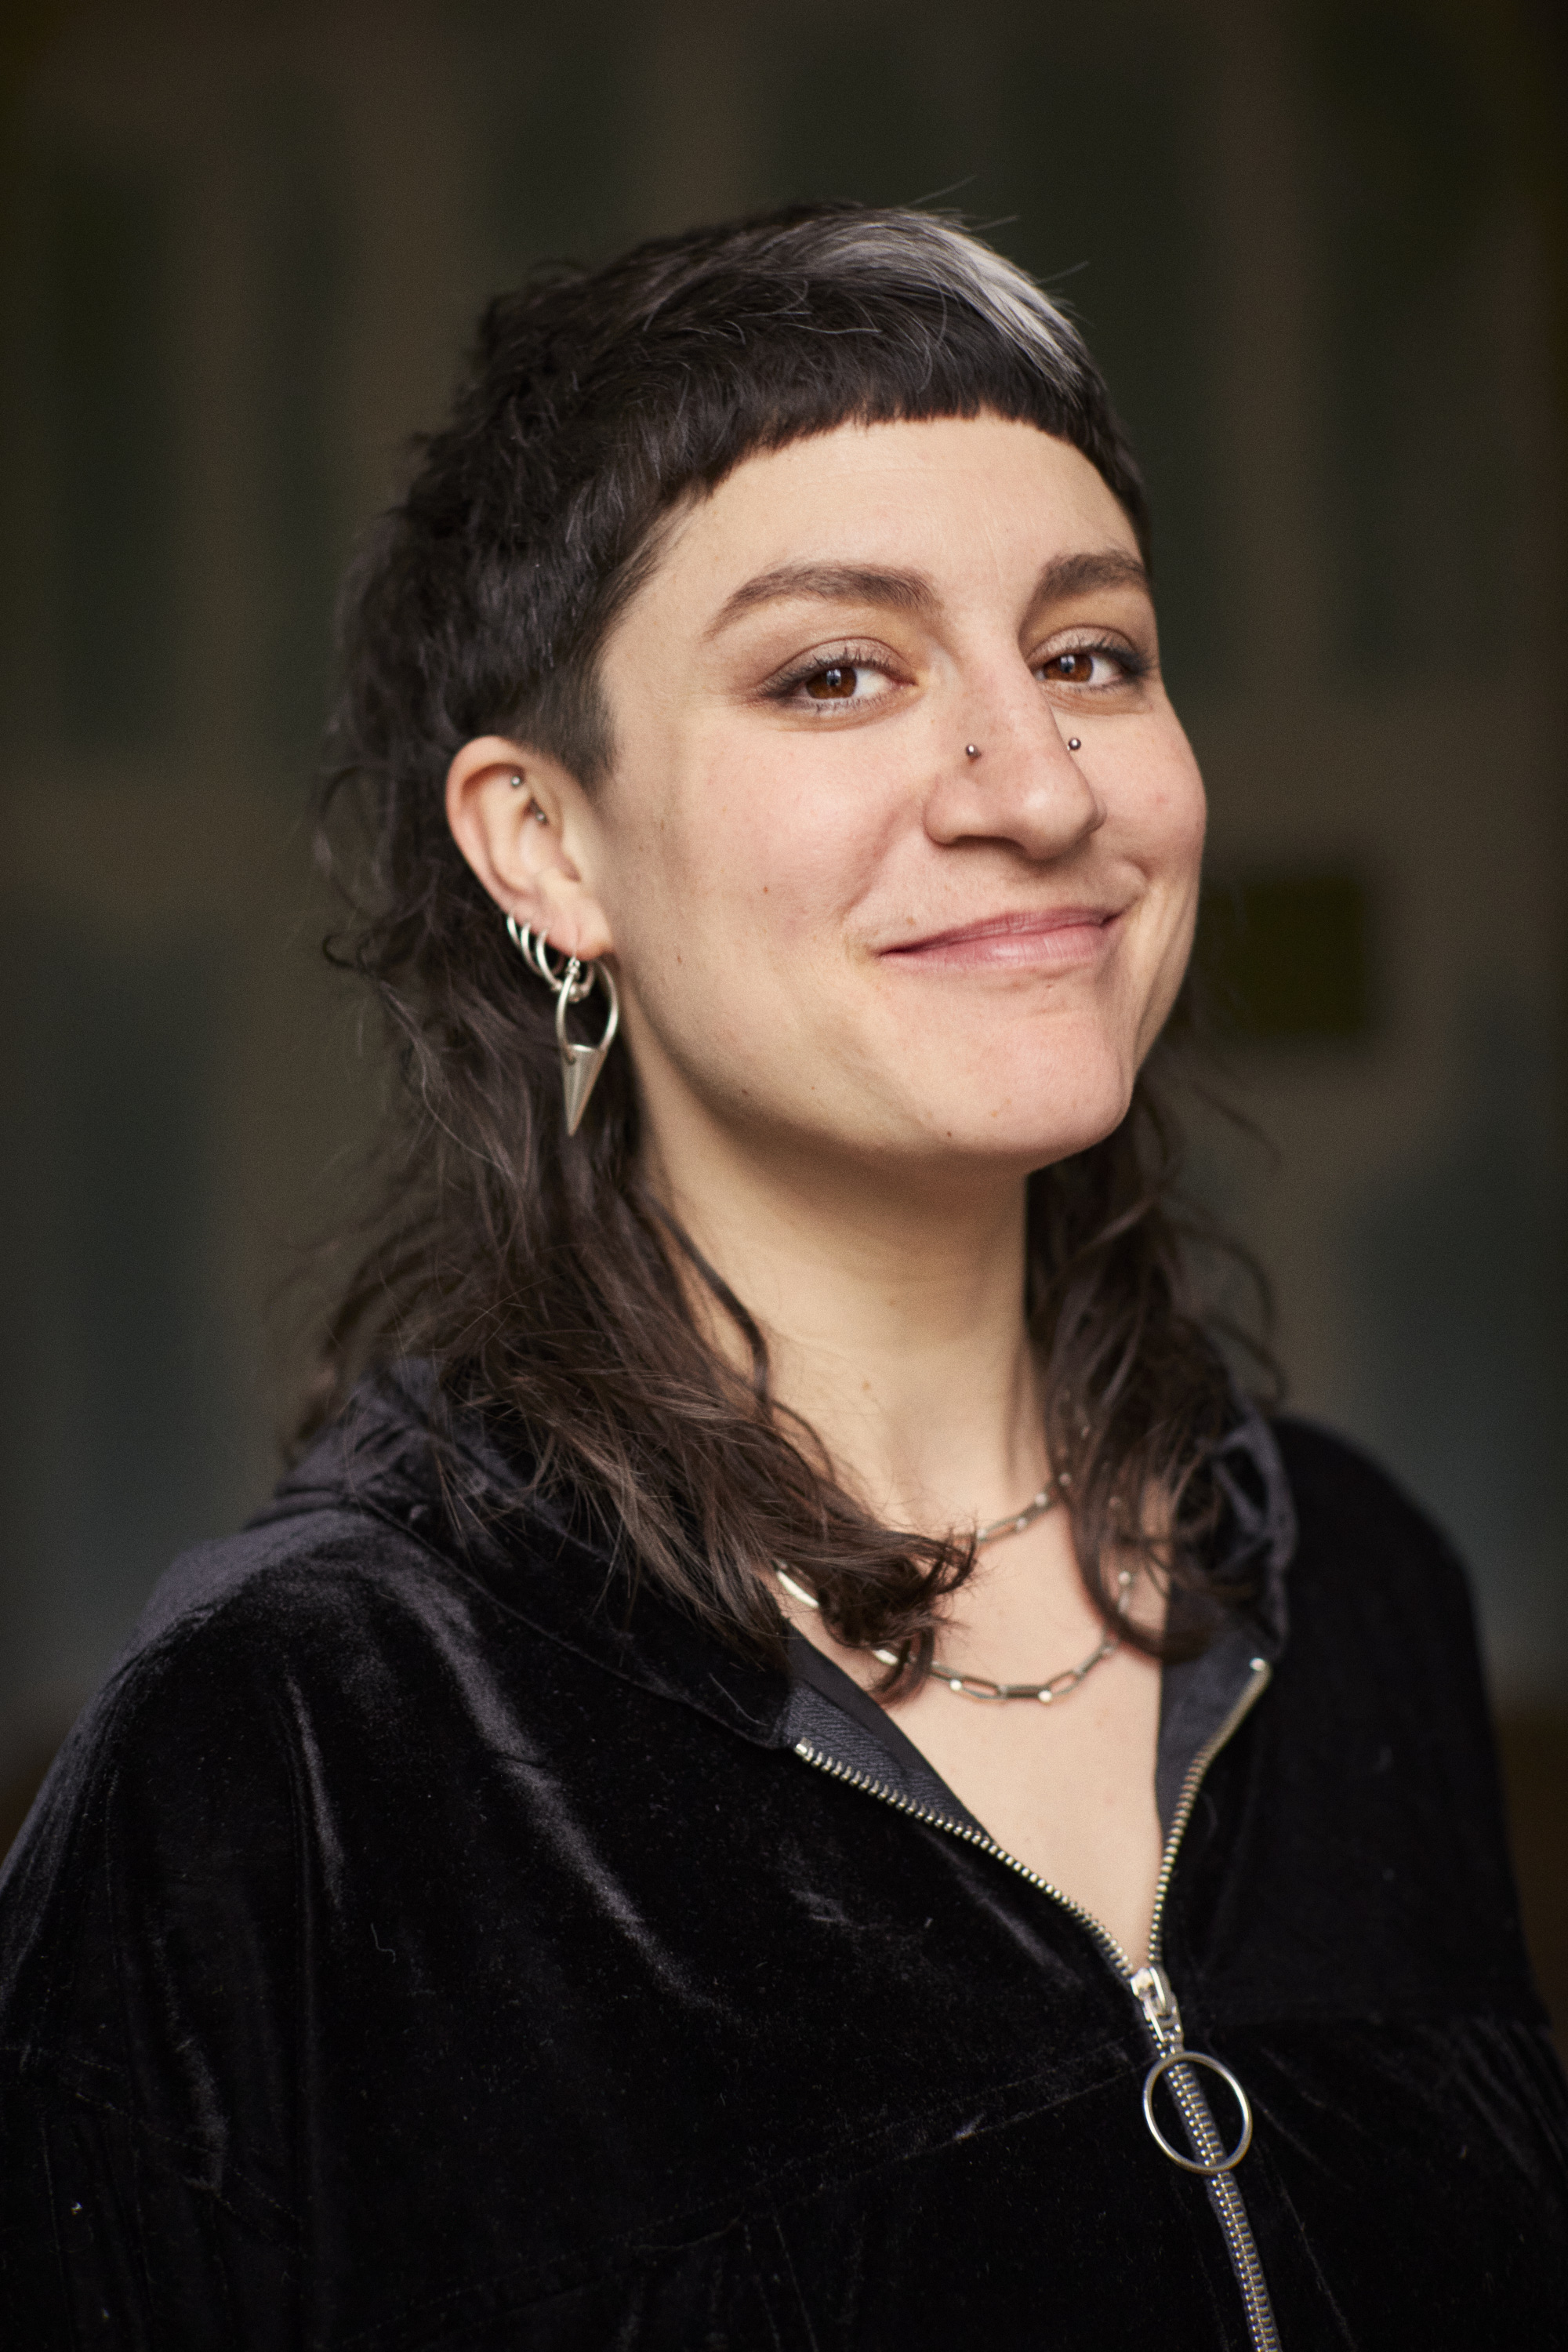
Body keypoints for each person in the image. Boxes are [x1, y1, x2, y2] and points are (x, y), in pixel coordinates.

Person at [2, 204, 1563, 2350]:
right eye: (839, 671)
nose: (1039, 786)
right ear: (546, 844)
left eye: (1092, 654)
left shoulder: (1363, 1590)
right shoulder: (293, 1746)